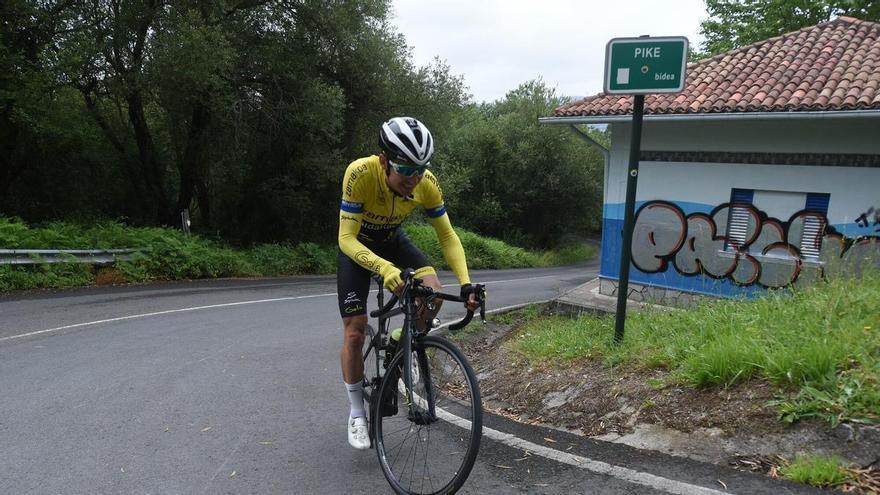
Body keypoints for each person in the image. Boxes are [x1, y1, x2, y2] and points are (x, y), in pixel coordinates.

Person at [337, 116, 478, 450]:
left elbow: (447, 235)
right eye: (405, 170)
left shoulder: (425, 182)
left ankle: (404, 340)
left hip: (392, 240)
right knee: (355, 330)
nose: (414, 179)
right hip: (357, 246)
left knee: (433, 292)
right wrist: (385, 270)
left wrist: (466, 283)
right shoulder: (359, 174)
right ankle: (357, 411)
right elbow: (346, 238)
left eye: (420, 169)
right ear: (384, 161)